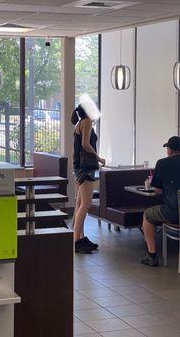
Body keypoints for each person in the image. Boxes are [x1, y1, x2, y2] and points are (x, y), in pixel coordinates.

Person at [141, 136, 180, 267]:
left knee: (147, 215)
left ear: (169, 150)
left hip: (175, 213)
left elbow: (157, 190)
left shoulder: (162, 163)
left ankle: (151, 255)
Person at [71, 104, 105, 253]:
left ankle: (81, 237)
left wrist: (75, 166)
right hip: (86, 167)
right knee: (86, 204)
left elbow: (75, 149)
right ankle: (76, 241)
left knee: (80, 204)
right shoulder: (87, 122)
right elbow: (85, 144)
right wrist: (99, 158)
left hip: (80, 166)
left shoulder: (79, 123)